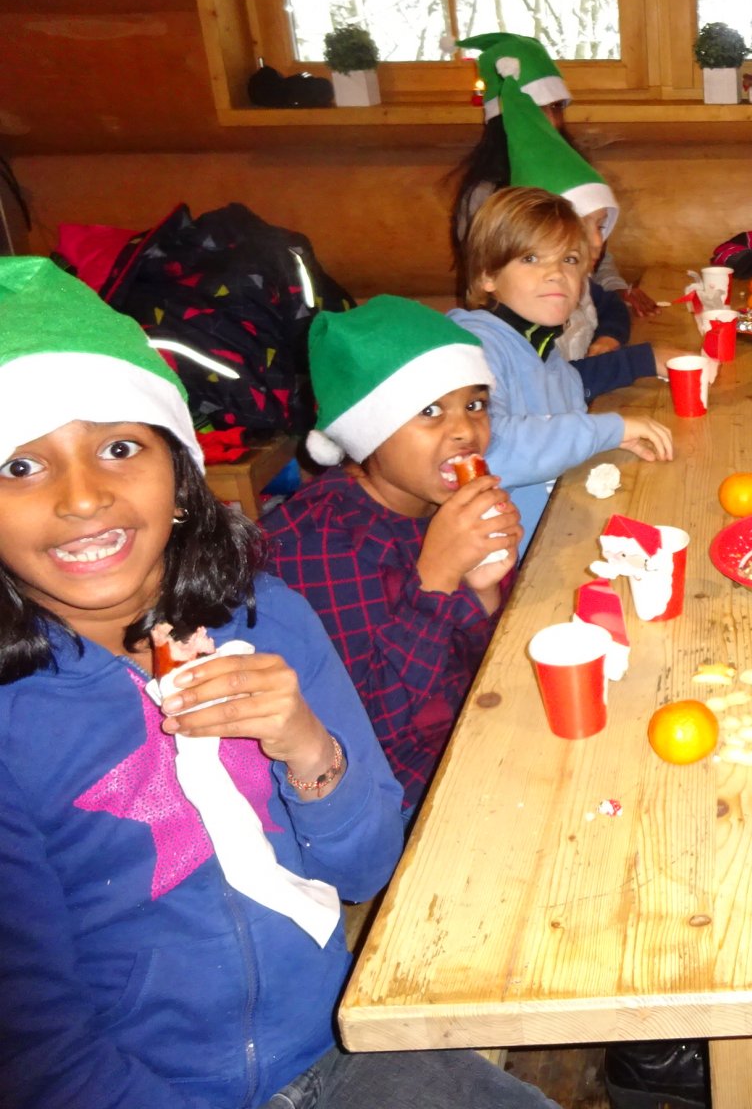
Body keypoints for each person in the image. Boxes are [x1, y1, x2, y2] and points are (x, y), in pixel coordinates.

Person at [0, 257, 560, 1109]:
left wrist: (308, 747)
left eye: (119, 447)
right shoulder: (16, 727)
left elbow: (366, 866)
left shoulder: (267, 618)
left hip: (336, 1042)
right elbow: (41, 1054)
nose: (83, 498)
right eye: (20, 466)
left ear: (179, 477)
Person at [264, 297, 520, 815]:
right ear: (369, 429)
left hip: (475, 725)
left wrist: (484, 589)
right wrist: (437, 577)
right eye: (430, 411)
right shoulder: (316, 547)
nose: (465, 431)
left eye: (474, 404)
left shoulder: (437, 499)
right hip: (397, 792)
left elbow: (474, 666)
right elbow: (368, 729)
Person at [451, 187, 674, 550]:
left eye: (569, 259)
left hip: (555, 531)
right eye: (531, 258)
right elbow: (486, 451)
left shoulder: (546, 352)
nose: (556, 273)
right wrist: (606, 430)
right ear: (488, 275)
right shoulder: (473, 347)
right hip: (503, 560)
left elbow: (565, 414)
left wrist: (607, 438)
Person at [450, 32, 654, 340]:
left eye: (557, 107)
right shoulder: (486, 196)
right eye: (537, 108)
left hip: (578, 317)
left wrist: (615, 290)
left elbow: (592, 248)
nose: (552, 121)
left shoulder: (569, 171)